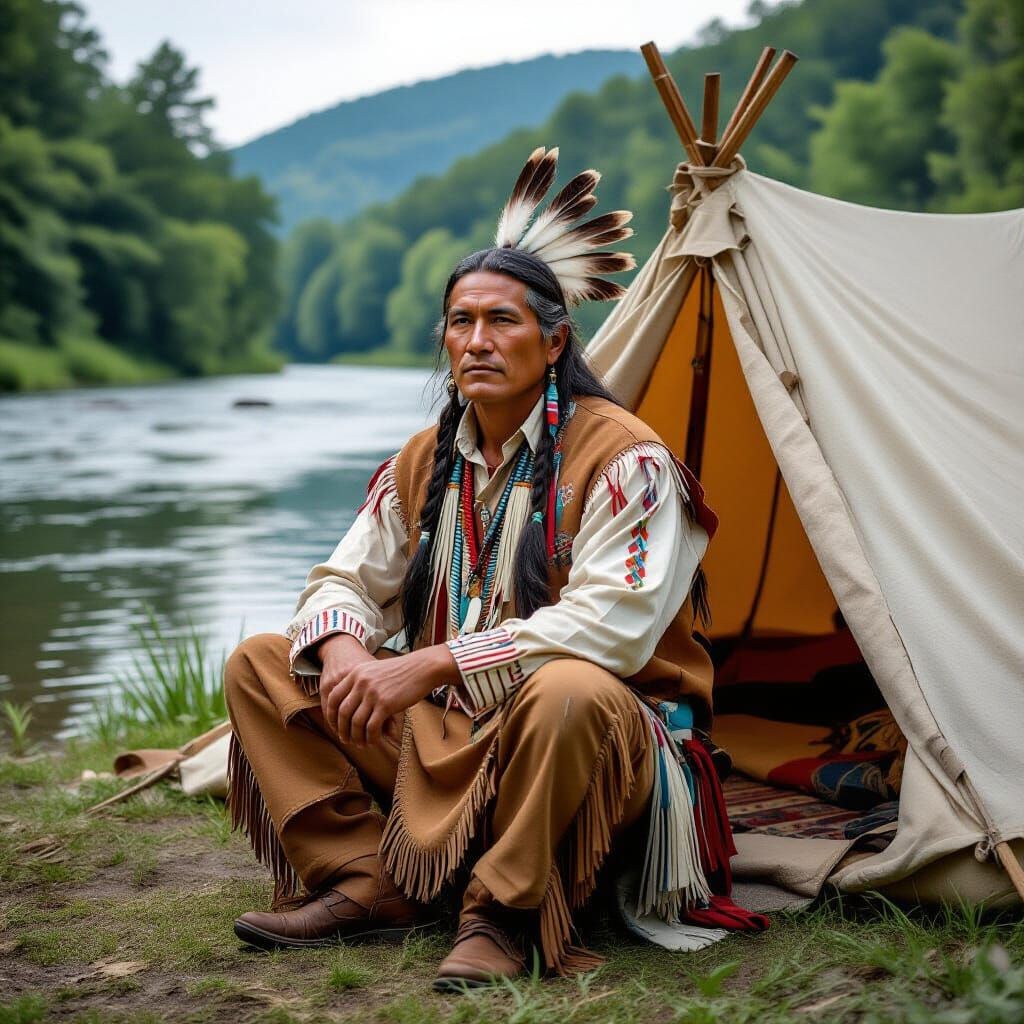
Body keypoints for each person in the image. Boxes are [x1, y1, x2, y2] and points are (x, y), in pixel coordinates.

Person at [223, 147, 734, 991]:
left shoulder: (627, 461)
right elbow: (342, 579)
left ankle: (505, 913)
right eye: (461, 322)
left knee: (569, 688)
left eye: (502, 321)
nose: (478, 342)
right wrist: (349, 649)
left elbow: (615, 626)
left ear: (554, 336)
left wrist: (431, 661)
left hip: (597, 745)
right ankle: (368, 881)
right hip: (453, 730)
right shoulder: (425, 462)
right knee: (268, 661)